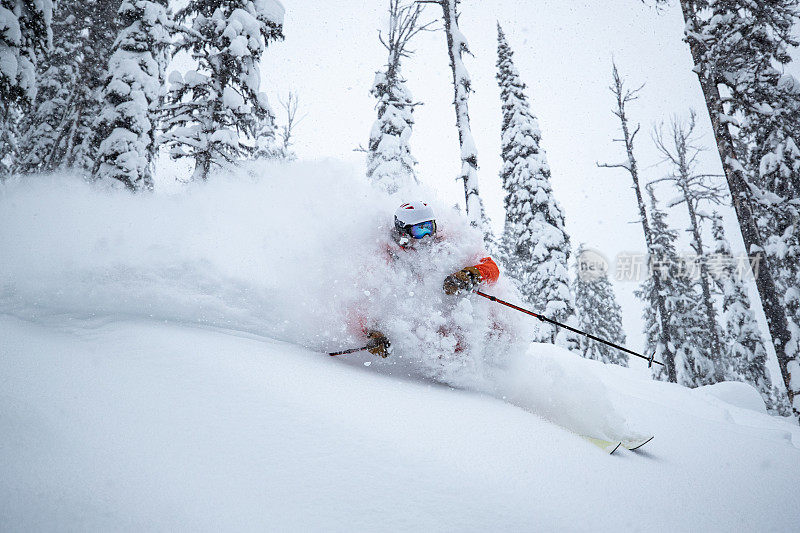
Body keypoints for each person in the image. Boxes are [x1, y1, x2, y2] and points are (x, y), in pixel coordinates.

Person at [362, 201, 500, 358]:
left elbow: (492, 268)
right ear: (403, 231)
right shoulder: (387, 257)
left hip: (457, 317)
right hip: (419, 324)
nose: (427, 236)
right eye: (419, 230)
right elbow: (365, 300)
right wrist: (370, 333)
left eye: (429, 228)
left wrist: (470, 275)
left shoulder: (449, 243)